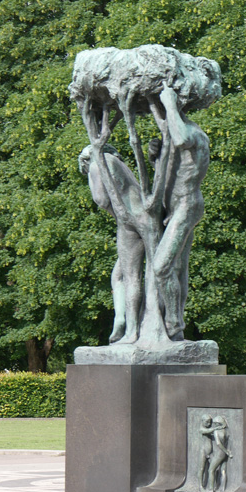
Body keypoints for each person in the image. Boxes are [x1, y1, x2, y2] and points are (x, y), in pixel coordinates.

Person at [150, 82, 210, 340]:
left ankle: (174, 323)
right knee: (177, 269)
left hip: (187, 205)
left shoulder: (194, 134)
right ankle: (175, 326)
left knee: (161, 266)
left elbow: (181, 138)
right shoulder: (176, 137)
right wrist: (156, 158)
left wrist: (169, 103)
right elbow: (169, 173)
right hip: (174, 207)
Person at [79, 145, 144, 344]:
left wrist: (117, 217)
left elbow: (101, 199)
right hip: (149, 219)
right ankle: (127, 321)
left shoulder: (97, 164)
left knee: (127, 277)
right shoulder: (120, 164)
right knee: (121, 274)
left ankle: (128, 328)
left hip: (130, 222)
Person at [198, 414, 214, 490]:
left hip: (210, 452)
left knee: (214, 468)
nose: (209, 424)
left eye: (210, 422)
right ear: (202, 421)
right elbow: (207, 431)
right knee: (202, 468)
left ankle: (213, 485)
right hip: (203, 451)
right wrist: (216, 428)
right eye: (207, 422)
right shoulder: (201, 429)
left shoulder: (210, 428)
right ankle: (200, 485)